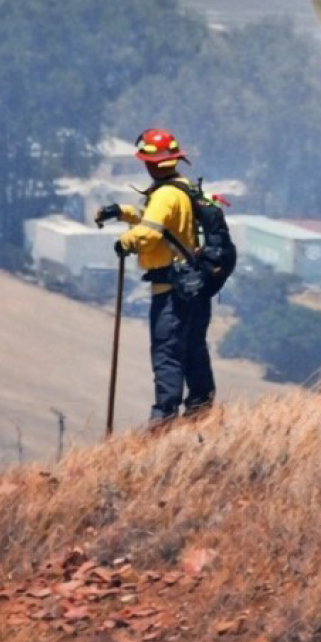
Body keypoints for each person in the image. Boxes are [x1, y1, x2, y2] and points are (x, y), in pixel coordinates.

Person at [95, 128, 215, 427]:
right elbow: (157, 222)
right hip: (193, 287)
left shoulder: (164, 195)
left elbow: (149, 233)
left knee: (166, 353)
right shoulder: (182, 188)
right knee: (191, 348)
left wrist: (126, 242)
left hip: (170, 291)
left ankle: (164, 418)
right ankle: (202, 408)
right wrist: (120, 212)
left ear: (149, 162)